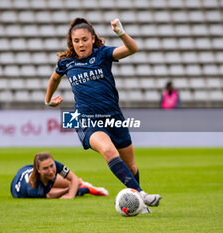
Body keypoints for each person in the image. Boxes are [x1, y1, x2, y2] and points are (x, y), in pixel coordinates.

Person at [44, 18, 161, 213]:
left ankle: (138, 204)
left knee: (130, 165)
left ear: (92, 39)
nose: (81, 44)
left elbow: (132, 49)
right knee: (108, 150)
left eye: (84, 39)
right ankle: (141, 194)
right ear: (71, 42)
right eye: (76, 41)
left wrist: (121, 33)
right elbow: (55, 78)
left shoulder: (103, 54)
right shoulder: (66, 62)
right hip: (86, 120)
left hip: (114, 117)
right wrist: (47, 100)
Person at [10, 152, 108, 199]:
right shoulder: (32, 189)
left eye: (51, 166)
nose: (51, 170)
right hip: (20, 187)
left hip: (26, 169)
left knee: (70, 183)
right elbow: (49, 195)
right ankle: (87, 189)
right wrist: (68, 190)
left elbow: (73, 178)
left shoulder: (55, 165)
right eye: (45, 168)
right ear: (38, 170)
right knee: (66, 188)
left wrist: (70, 195)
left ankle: (83, 184)